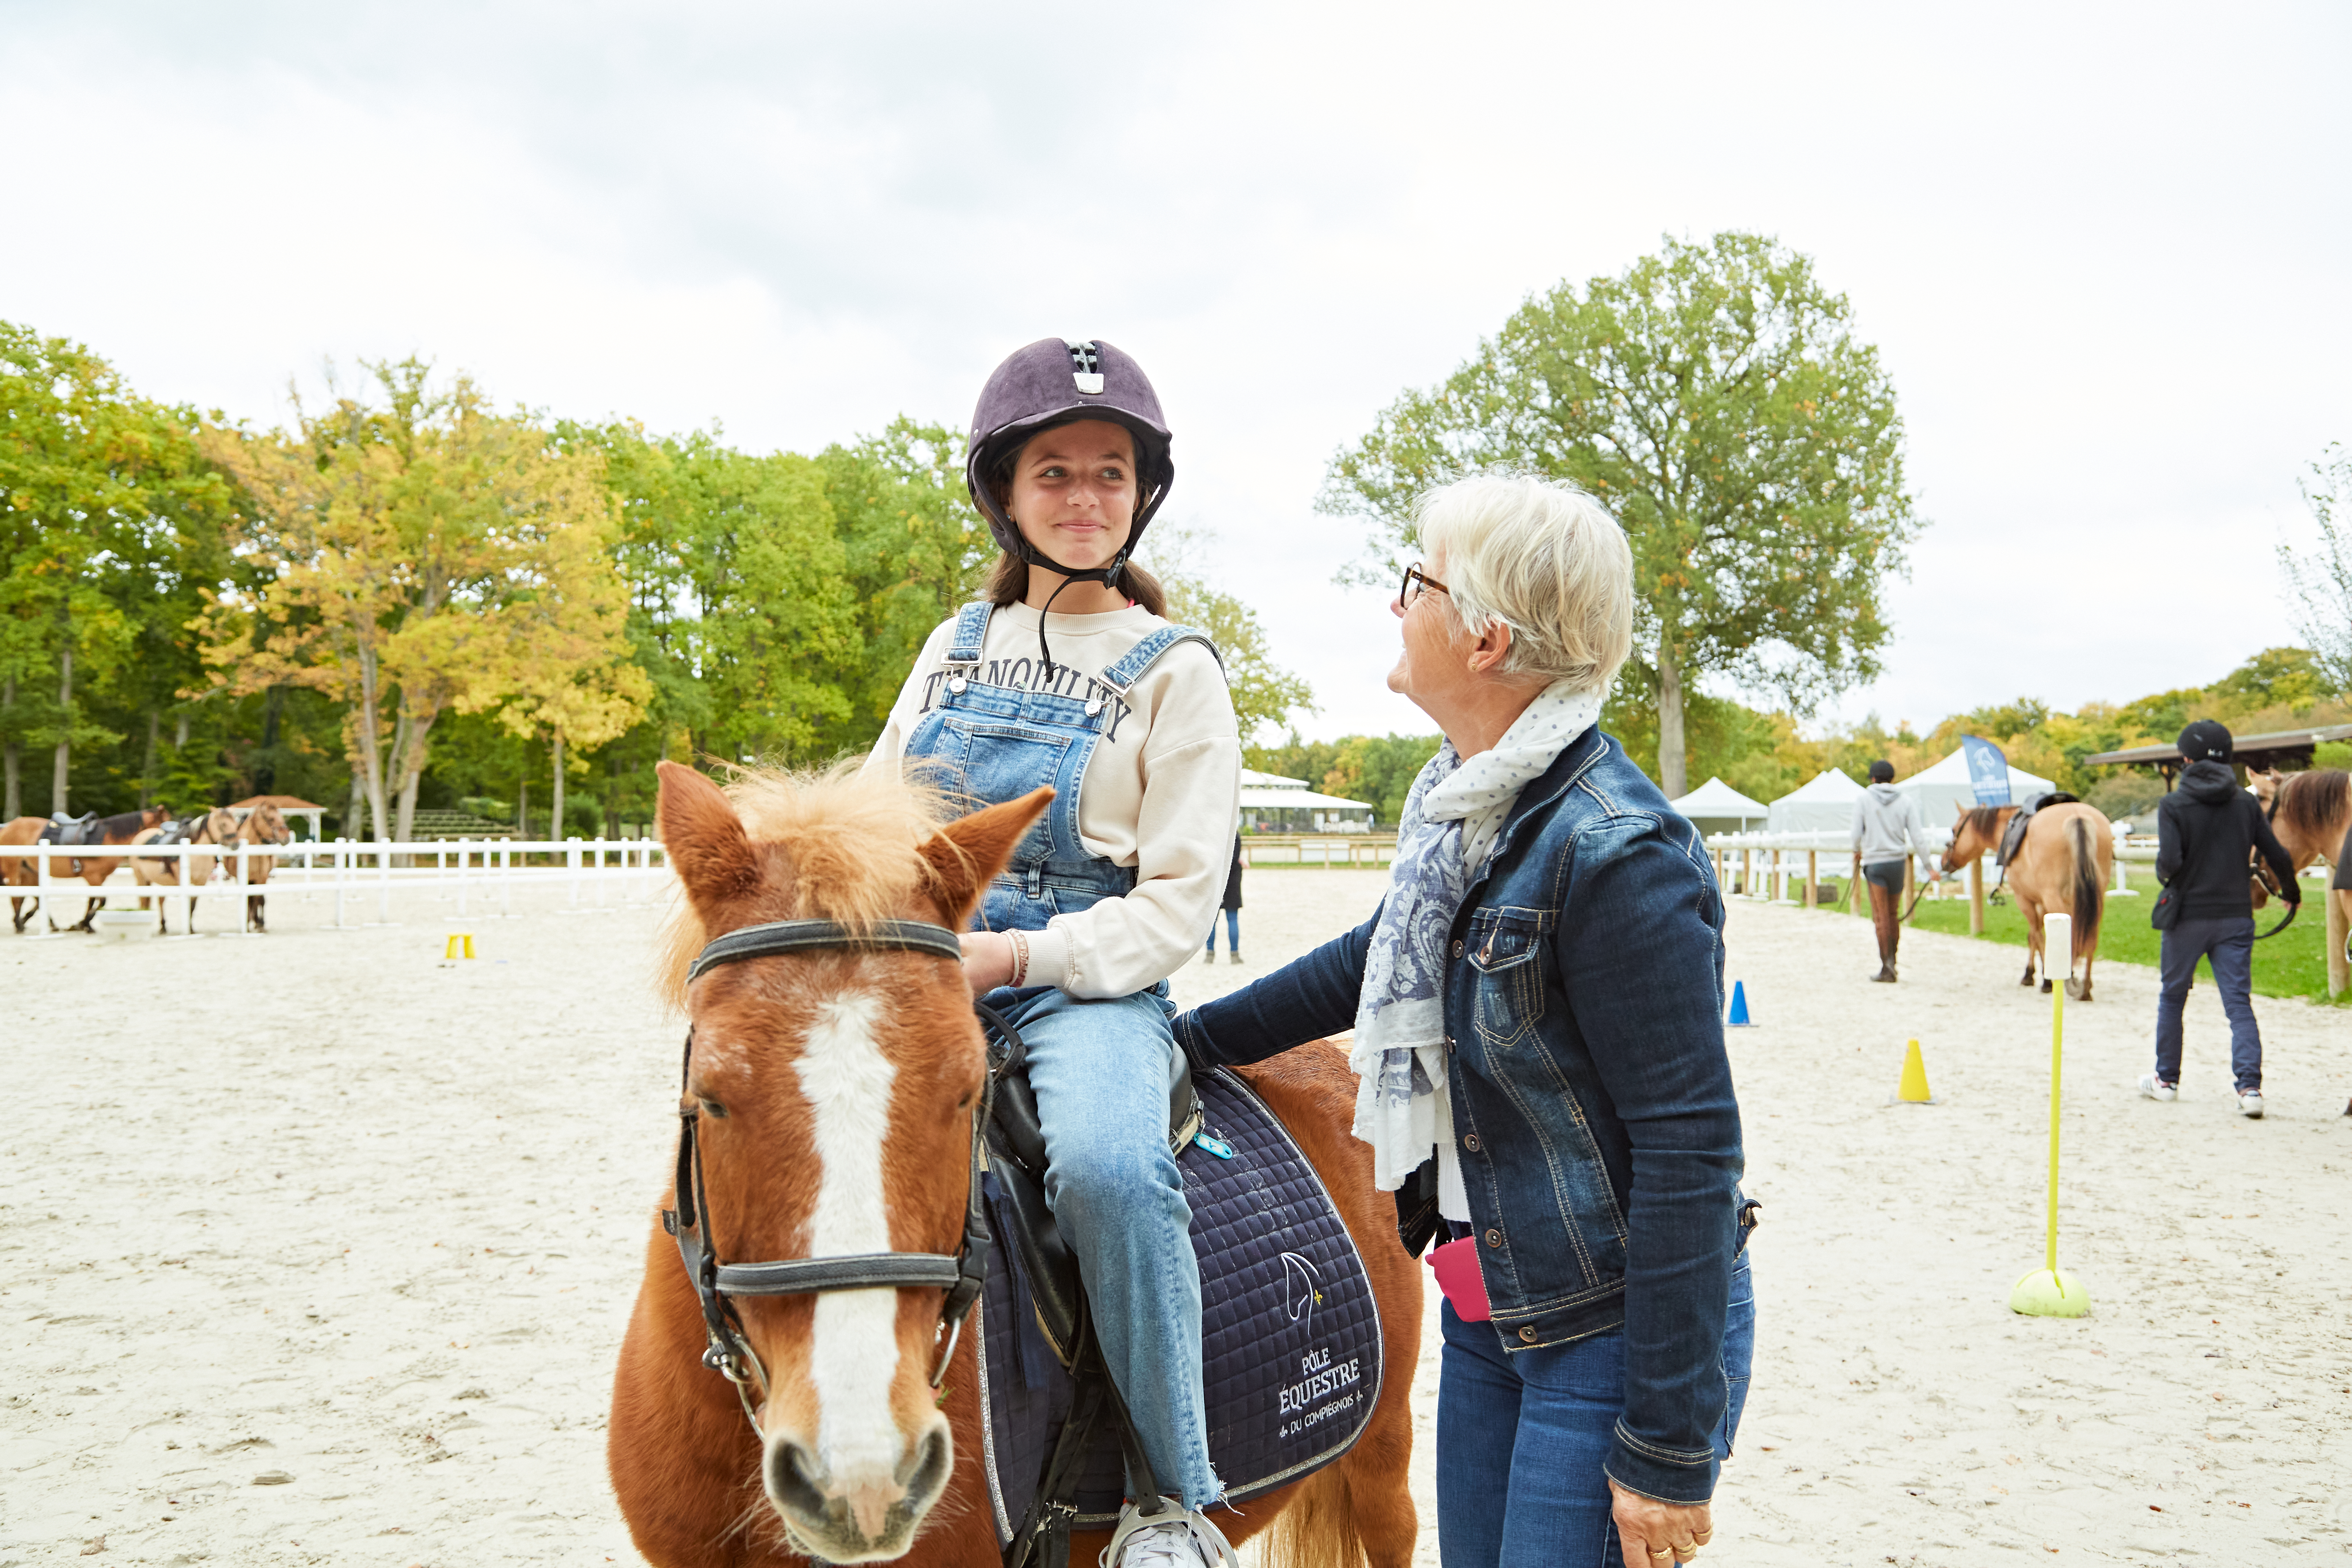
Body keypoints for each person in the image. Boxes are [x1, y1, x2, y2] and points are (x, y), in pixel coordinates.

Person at [1172, 474, 1752, 1568]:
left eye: (1416, 583)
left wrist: (1668, 1452)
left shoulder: (1619, 850)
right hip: (1492, 1308)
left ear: (1486, 639)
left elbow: (1691, 1148)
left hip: (1610, 1332)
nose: (1398, 606)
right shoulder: (1469, 810)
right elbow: (1370, 959)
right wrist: (1187, 1040)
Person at [863, 337, 1243, 1566]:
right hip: (934, 955)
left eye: (1111, 475)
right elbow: (879, 813)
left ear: (1142, 495)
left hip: (1090, 982)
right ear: (1006, 495)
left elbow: (1178, 903)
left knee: (1107, 1170)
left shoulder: (1178, 672)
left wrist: (1015, 963)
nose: (1087, 500)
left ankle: (1173, 1496)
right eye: (1057, 475)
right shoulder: (953, 645)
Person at [2140, 720, 2297, 1118]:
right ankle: (2250, 1090)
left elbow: (2170, 863)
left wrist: (2165, 876)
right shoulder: (2246, 803)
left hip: (2186, 918)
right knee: (2238, 1004)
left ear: (2186, 758)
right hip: (2234, 917)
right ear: (2227, 757)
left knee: (2173, 999)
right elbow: (2275, 853)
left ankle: (2166, 1081)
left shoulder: (2172, 804)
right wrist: (2291, 893)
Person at [1850, 760, 1937, 982]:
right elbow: (1917, 836)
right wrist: (1929, 867)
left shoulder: (1863, 800)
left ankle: (1886, 967)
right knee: (1892, 915)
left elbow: (1856, 833)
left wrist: (1856, 851)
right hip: (1897, 864)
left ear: (1872, 779)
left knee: (1880, 918)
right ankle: (1893, 963)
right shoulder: (1905, 801)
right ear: (1893, 779)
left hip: (1875, 863)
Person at [1205, 833, 1244, 963]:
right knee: (1232, 918)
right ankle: (1235, 955)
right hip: (1233, 880)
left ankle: (1210, 955)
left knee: (1211, 921)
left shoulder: (1213, 833)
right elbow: (1236, 857)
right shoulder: (1235, 835)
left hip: (1216, 879)